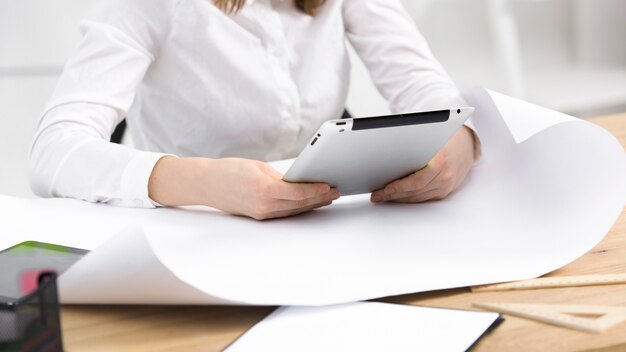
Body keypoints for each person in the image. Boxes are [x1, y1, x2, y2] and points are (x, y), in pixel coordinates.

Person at [30, 0, 480, 220]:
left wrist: (461, 141)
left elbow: (423, 86)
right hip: (193, 222)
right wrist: (201, 181)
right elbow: (54, 151)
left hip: (324, 222)